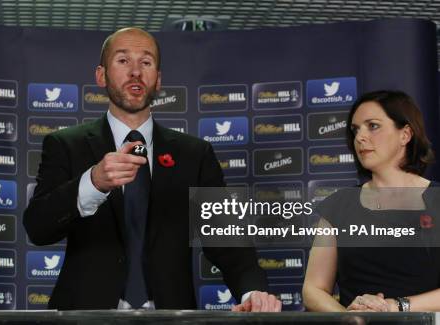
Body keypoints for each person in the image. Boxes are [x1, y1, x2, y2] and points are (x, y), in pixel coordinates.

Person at [24, 27, 281, 311]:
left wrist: (253, 294)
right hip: (86, 314)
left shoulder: (194, 155)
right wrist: (93, 183)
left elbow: (228, 242)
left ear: (157, 80)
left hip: (170, 314)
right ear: (101, 75)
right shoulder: (65, 145)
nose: (135, 71)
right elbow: (38, 228)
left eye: (146, 62)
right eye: (123, 61)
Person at [303, 90, 439, 312]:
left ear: (405, 134)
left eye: (373, 126)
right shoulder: (338, 205)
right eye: (355, 130)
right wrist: (348, 317)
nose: (360, 137)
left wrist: (396, 306)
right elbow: (313, 289)